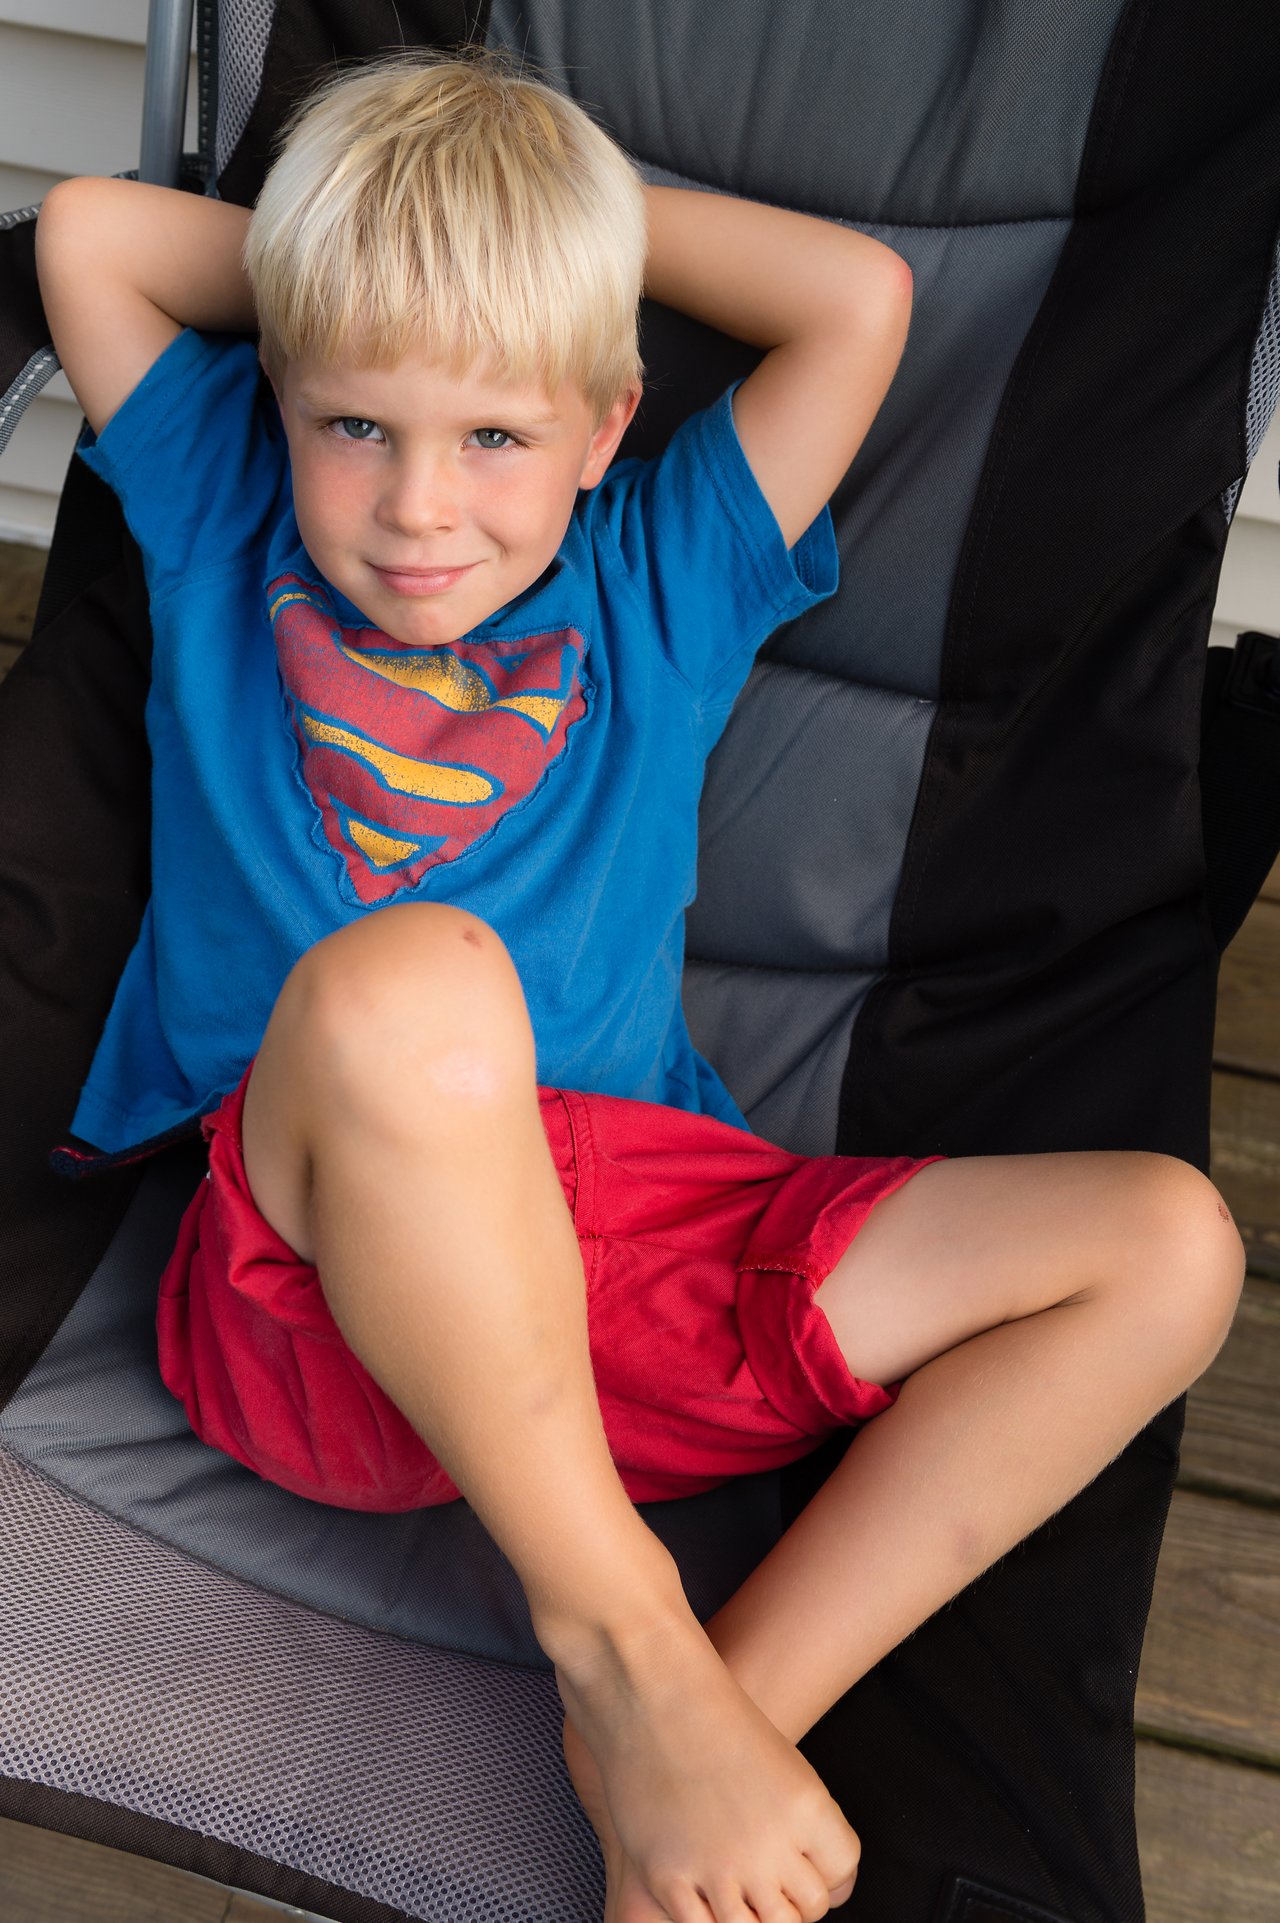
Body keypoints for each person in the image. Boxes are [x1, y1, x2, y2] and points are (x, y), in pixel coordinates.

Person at [35, 49, 1243, 1923]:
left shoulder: (658, 579)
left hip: (630, 1274)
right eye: (356, 425)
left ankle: (699, 1733)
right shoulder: (218, 515)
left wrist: (549, 237)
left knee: (1166, 1244)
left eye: (495, 436)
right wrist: (405, 263)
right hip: (314, 1280)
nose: (420, 506)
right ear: (279, 400)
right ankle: (633, 1647)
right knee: (412, 985)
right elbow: (101, 235)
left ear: (610, 425)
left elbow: (863, 302)